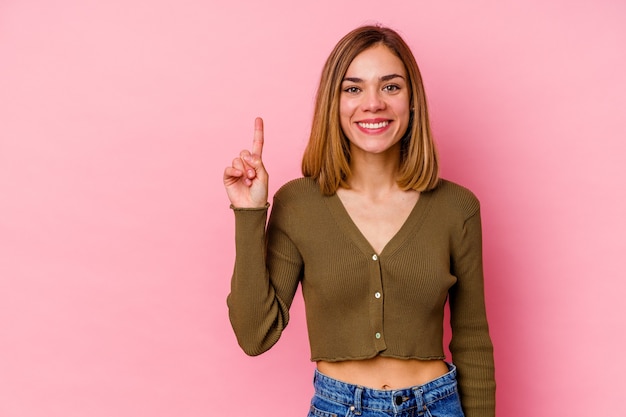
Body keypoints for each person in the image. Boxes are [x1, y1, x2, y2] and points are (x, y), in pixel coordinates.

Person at [223, 25, 495, 417]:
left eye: (390, 87)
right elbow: (253, 335)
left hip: (438, 406)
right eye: (353, 89)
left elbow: (472, 339)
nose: (373, 104)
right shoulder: (298, 204)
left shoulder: (457, 207)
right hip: (338, 406)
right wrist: (249, 214)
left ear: (412, 100)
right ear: (333, 103)